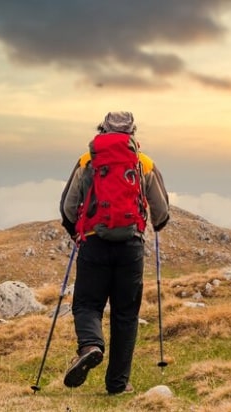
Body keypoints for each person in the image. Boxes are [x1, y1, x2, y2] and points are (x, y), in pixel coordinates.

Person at [59, 111, 170, 395]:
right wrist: (153, 225)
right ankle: (117, 385)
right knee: (125, 315)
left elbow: (68, 208)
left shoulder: (88, 161)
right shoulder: (143, 163)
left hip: (94, 243)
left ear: (102, 130)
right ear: (133, 133)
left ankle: (91, 345)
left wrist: (76, 234)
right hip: (130, 248)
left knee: (86, 305)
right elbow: (162, 213)